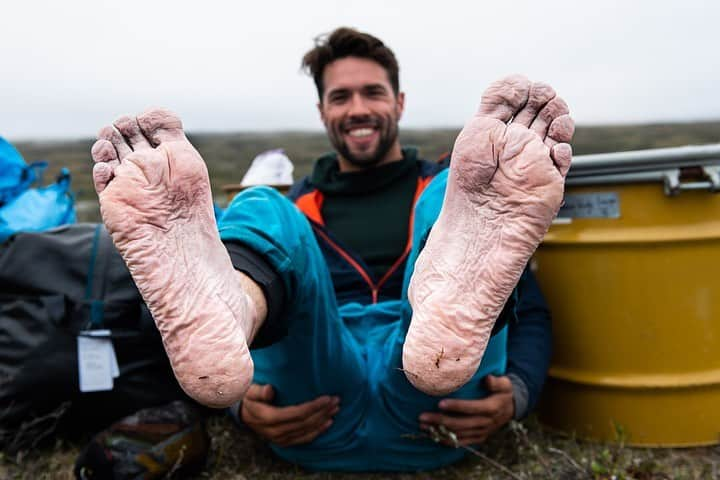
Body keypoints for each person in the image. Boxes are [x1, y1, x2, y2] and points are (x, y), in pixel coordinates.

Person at [89, 27, 573, 472]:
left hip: (437, 394)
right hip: (314, 396)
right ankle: (233, 312)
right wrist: (241, 404)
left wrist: (518, 393)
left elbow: (529, 309)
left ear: (399, 102)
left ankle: (448, 302)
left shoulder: (462, 193)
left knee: (442, 197)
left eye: (373, 93)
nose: (357, 108)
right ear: (322, 111)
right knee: (265, 209)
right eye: (340, 97)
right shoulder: (299, 205)